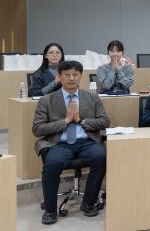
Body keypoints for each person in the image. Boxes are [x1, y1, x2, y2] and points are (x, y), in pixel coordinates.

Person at [32, 61, 110, 224]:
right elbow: (37, 129)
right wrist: (66, 121)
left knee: (100, 156)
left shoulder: (92, 97)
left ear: (81, 76)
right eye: (67, 75)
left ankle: (88, 203)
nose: (71, 78)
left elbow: (104, 121)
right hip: (59, 143)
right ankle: (50, 210)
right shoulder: (46, 100)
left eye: (75, 75)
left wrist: (80, 120)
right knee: (52, 163)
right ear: (59, 77)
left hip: (86, 142)